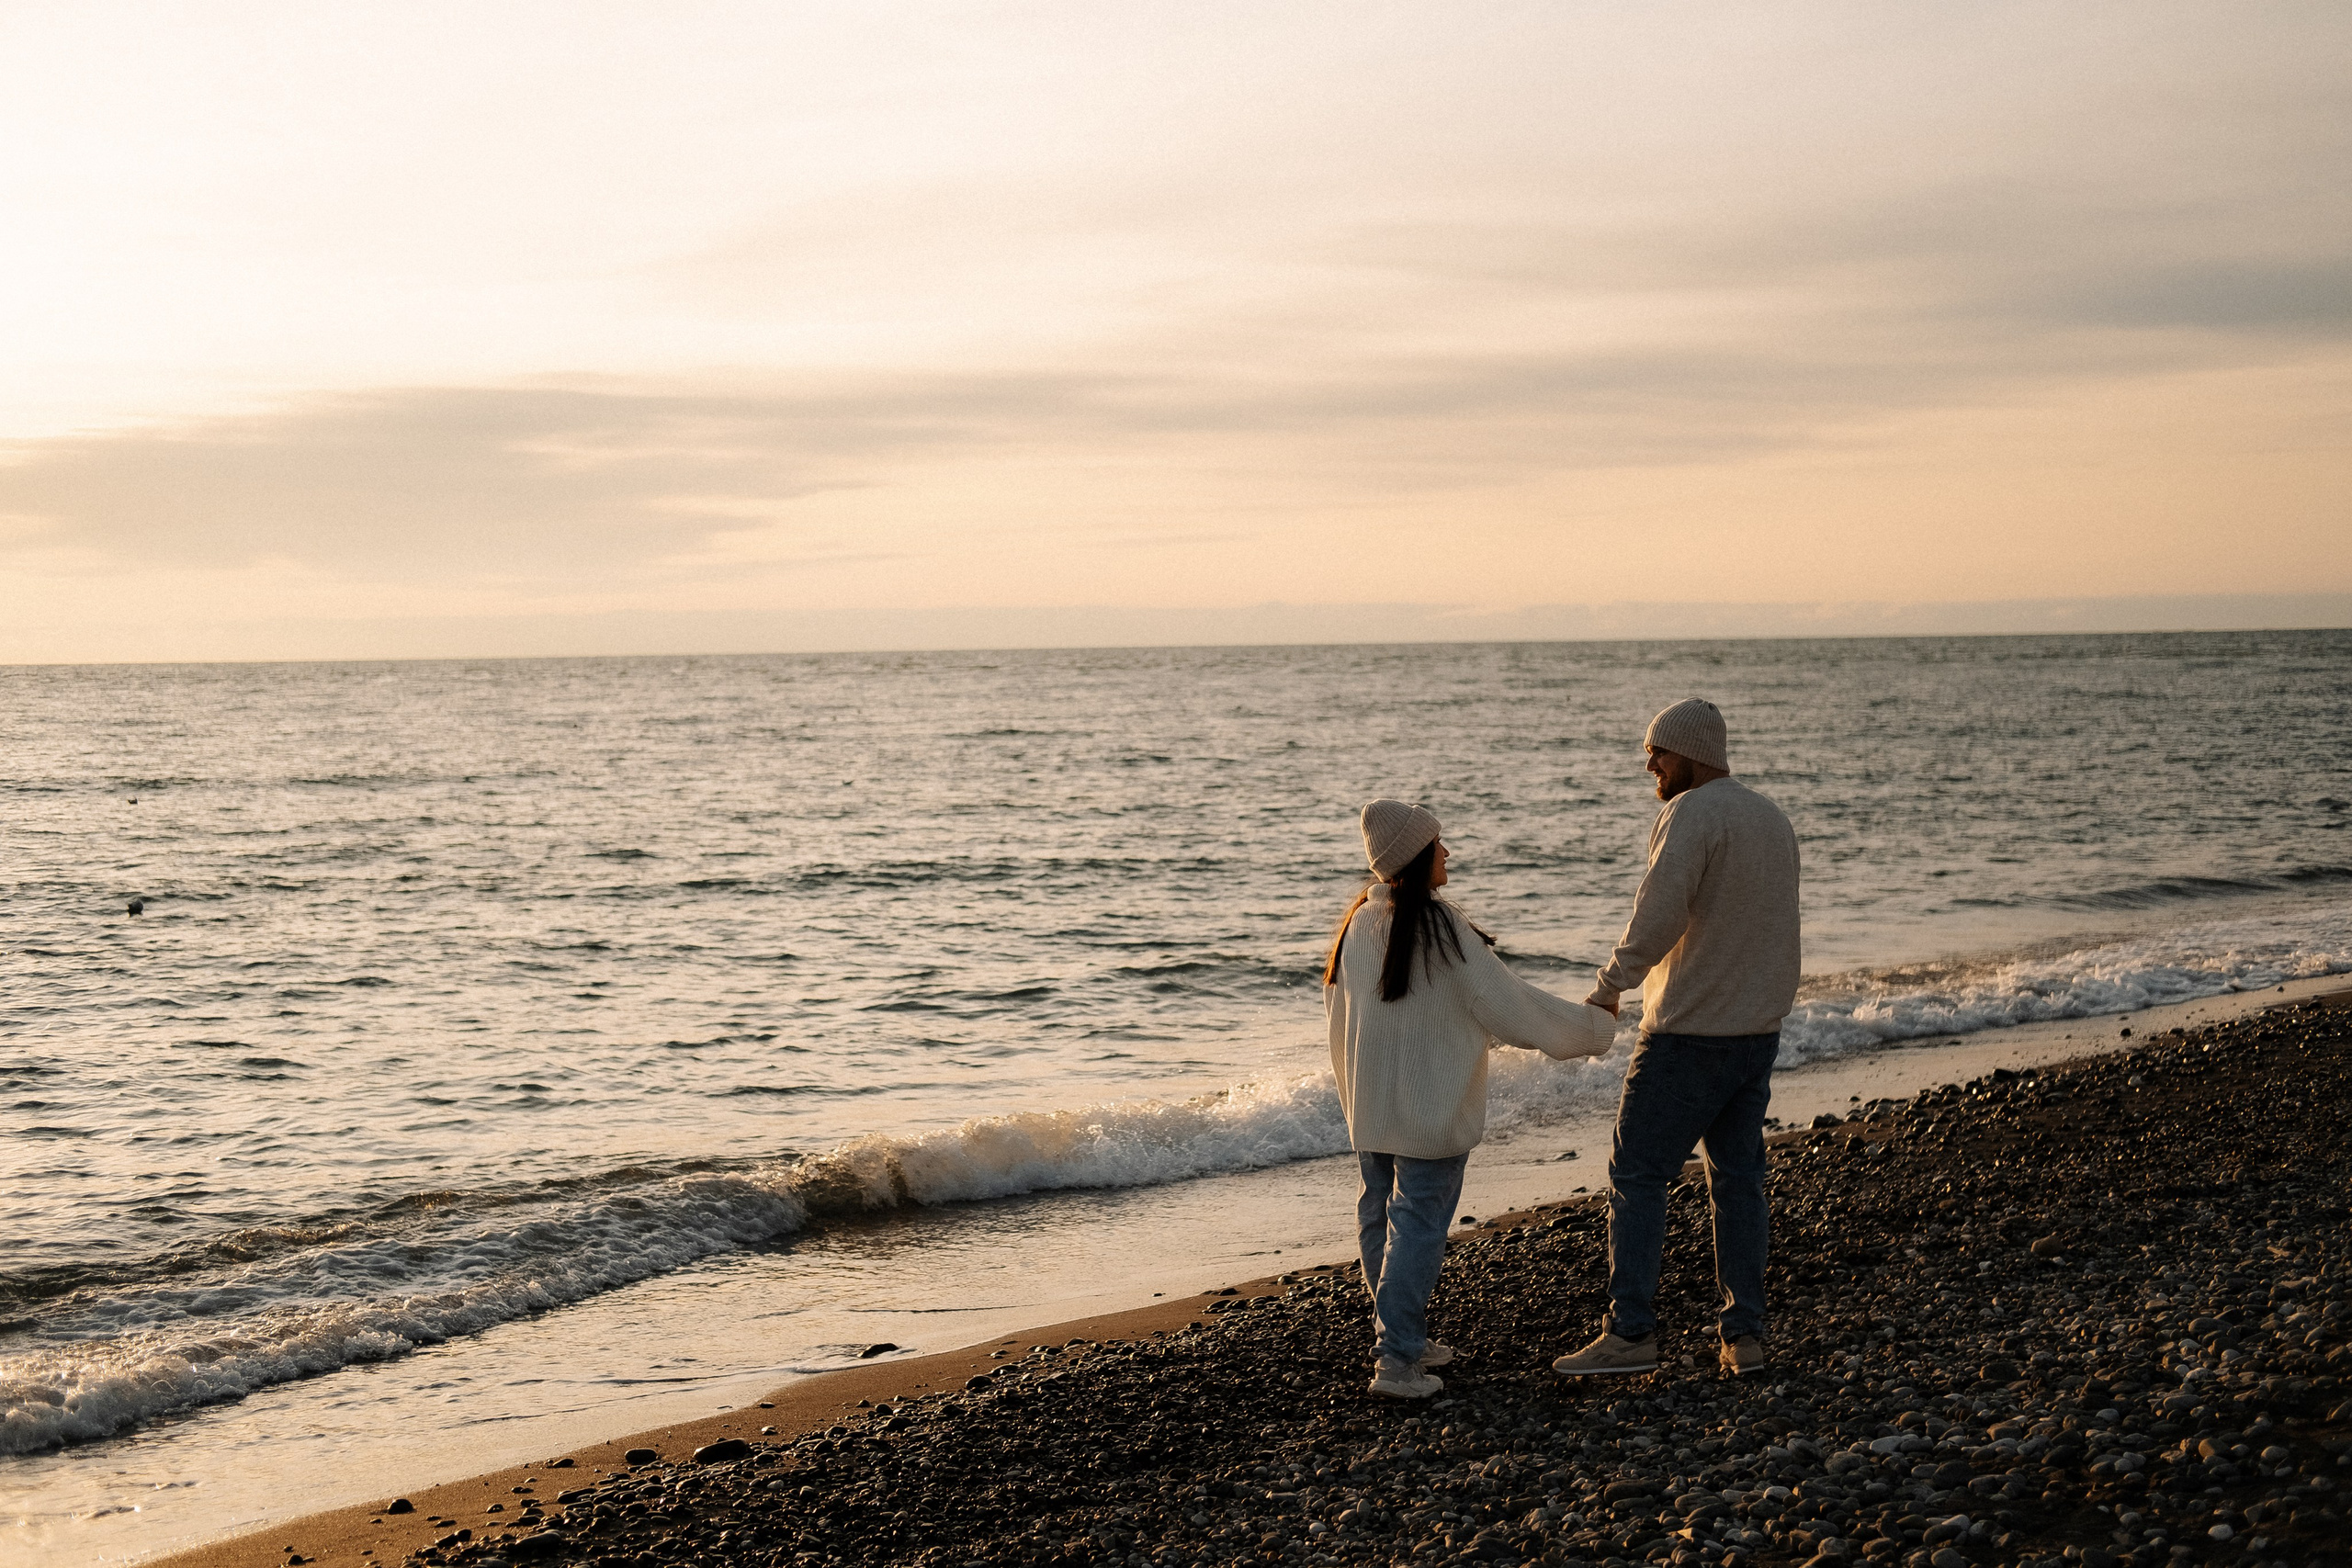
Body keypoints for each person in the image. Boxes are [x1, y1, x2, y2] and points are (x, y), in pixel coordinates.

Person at [1326, 798, 1616, 1400]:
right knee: (1416, 1222)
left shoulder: (1359, 922)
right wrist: (1593, 1028)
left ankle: (1401, 1334)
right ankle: (1398, 1360)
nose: (1448, 851)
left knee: (1381, 1212)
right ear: (1416, 853)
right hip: (1429, 1110)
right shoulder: (1438, 926)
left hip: (1371, 1103)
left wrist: (1353, 1092)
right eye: (1439, 842)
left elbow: (1341, 1017)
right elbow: (1510, 1006)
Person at [1553, 698, 1801, 1381]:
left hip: (1689, 1033)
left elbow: (1657, 913)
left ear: (1691, 751)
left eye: (1658, 753)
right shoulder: (1771, 818)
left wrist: (1609, 984)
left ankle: (1630, 1332)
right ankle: (1743, 1336)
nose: (1650, 766)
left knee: (1637, 1175)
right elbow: (1780, 926)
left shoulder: (1692, 813)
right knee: (1739, 1181)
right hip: (1755, 1032)